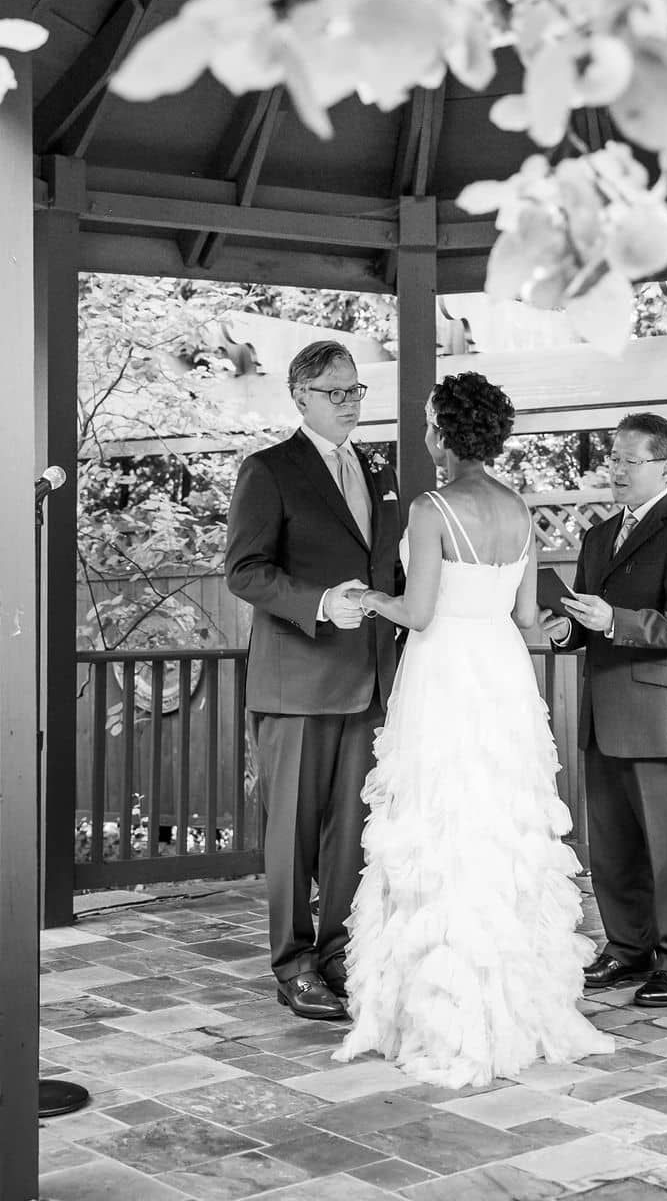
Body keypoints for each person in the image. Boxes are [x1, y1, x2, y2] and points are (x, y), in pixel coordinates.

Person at [334, 372, 612, 1087]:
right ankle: (514, 1004)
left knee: (441, 824)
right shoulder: (519, 509)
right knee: (498, 827)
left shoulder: (430, 508)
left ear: (443, 433)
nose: (425, 433)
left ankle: (444, 1014)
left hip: (444, 673)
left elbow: (420, 612)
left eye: (428, 422)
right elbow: (527, 621)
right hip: (503, 672)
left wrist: (369, 597)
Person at [225, 340, 402, 1021]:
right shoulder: (268, 471)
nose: (351, 403)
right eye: (336, 392)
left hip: (369, 682)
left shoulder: (379, 470)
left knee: (350, 830)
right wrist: (322, 603)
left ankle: (334, 952)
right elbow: (243, 571)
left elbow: (392, 574)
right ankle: (292, 963)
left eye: (357, 391)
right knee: (292, 832)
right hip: (296, 682)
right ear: (298, 395)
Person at [543, 413, 667, 1010]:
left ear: (666, 468)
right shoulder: (597, 538)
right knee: (611, 844)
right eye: (612, 459)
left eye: (628, 460)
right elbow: (585, 624)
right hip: (604, 710)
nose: (614, 469)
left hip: (659, 712)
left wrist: (614, 620)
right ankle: (627, 947)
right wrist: (566, 629)